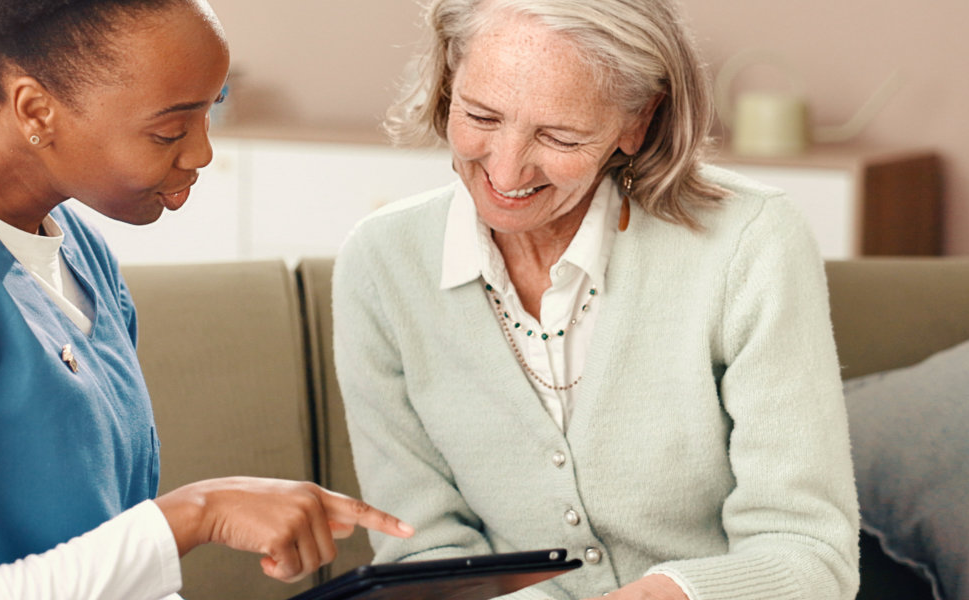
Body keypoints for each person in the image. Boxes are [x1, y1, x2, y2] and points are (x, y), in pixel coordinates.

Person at [0, 0, 411, 598]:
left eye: (208, 113)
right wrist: (196, 515)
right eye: (169, 132)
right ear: (37, 110)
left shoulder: (80, 252)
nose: (203, 154)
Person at [332, 0, 859, 599]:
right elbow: (423, 554)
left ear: (637, 122)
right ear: (450, 81)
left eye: (559, 135)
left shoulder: (750, 242)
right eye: (480, 115)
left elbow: (810, 557)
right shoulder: (381, 262)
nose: (505, 171)